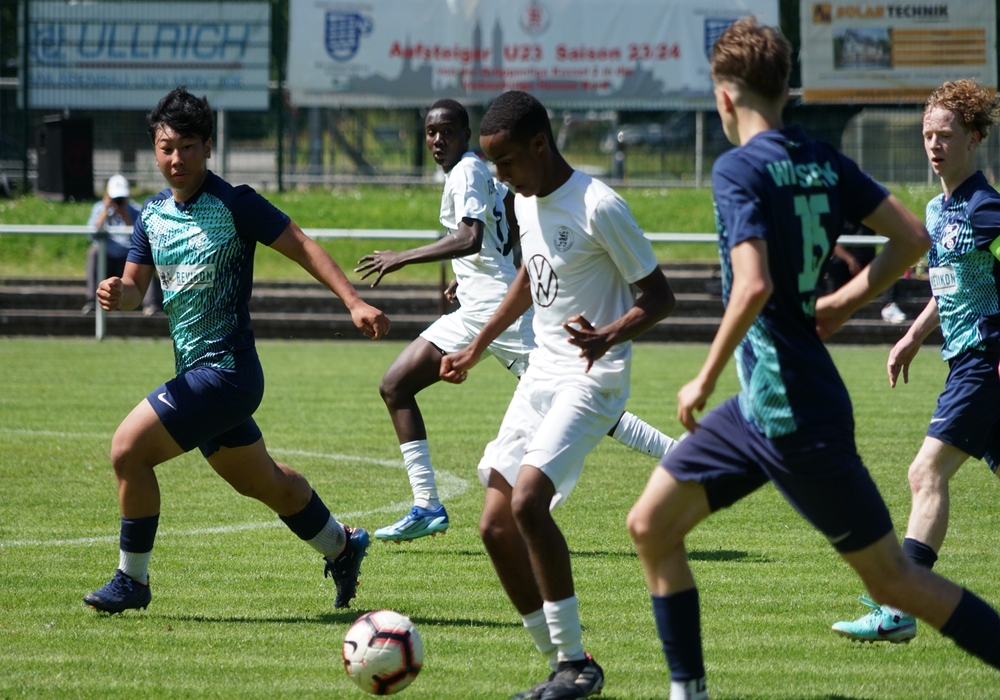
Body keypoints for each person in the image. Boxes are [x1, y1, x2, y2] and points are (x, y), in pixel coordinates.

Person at [625, 20, 1000, 700]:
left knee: (895, 582)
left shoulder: (737, 167)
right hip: (761, 405)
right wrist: (845, 304)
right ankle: (689, 693)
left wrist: (702, 376)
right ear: (785, 90)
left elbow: (753, 286)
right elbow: (911, 238)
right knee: (651, 525)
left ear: (724, 98)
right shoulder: (821, 158)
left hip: (797, 412)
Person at [83, 86, 390, 614]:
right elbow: (135, 289)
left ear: (208, 147)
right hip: (200, 376)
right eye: (166, 148)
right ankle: (342, 545)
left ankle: (132, 580)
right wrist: (119, 293)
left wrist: (354, 301)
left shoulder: (235, 204)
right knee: (263, 482)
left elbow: (302, 245)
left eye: (187, 147)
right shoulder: (152, 214)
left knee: (127, 450)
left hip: (226, 374)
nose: (176, 159)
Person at [439, 90, 677, 700]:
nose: (499, 176)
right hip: (542, 374)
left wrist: (608, 335)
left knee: (527, 503)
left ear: (541, 144)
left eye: (507, 161)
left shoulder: (600, 206)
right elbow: (530, 276)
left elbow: (660, 296)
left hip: (592, 378)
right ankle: (565, 665)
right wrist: (476, 346)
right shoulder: (525, 199)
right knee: (494, 528)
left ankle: (575, 664)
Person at [356, 99, 677, 544]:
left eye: (447, 132)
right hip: (480, 310)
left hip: (497, 311)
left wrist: (403, 257)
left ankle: (681, 455)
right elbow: (510, 234)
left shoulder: (476, 174)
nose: (437, 140)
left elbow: (470, 237)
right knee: (397, 387)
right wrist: (472, 280)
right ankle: (427, 504)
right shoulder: (509, 186)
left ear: (466, 136)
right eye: (431, 132)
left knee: (580, 408)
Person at [832, 79, 1000, 643]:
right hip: (966, 359)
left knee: (925, 472)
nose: (934, 144)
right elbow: (950, 286)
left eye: (946, 134)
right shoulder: (937, 208)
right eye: (928, 134)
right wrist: (912, 336)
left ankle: (898, 609)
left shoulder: (986, 210)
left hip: (986, 360)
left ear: (973, 138)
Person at [83, 175, 162, 316]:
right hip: (107, 257)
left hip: (128, 259)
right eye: (115, 198)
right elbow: (91, 235)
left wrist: (125, 215)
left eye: (121, 198)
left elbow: (141, 239)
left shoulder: (137, 210)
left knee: (145, 258)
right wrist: (105, 212)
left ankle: (151, 304)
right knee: (93, 252)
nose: (118, 201)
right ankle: (91, 302)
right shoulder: (99, 208)